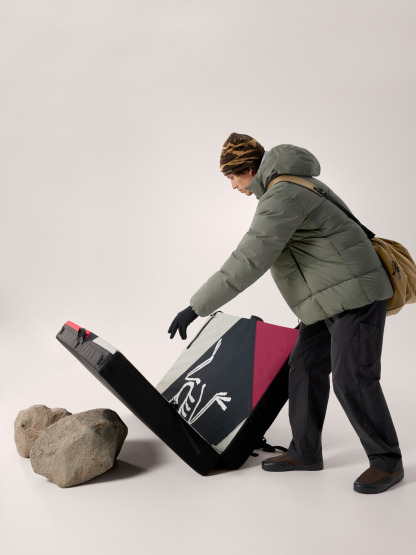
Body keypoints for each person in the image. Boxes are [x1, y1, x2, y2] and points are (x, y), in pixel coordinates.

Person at [168, 132, 403, 494]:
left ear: (249, 169)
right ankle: (305, 452)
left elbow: (249, 259)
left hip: (355, 295)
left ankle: (387, 461)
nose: (233, 186)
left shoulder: (283, 196)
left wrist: (196, 307)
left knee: (353, 378)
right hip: (328, 298)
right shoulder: (291, 185)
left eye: (232, 177)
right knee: (304, 367)